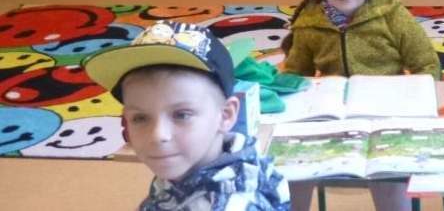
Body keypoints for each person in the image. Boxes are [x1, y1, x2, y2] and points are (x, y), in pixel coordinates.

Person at [282, 0, 440, 211]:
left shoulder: (391, 15)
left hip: (387, 120)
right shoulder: (309, 22)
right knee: (292, 171)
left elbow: (427, 64)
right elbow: (294, 75)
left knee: (389, 181)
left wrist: (412, 104)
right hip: (331, 122)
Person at [83, 21, 291, 211]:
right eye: (140, 118)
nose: (158, 135)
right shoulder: (193, 164)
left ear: (225, 115)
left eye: (181, 115)